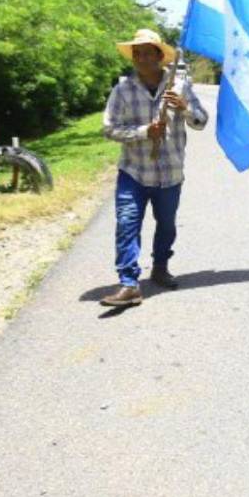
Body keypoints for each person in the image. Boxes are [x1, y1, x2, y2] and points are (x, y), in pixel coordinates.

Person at [100, 28, 208, 307]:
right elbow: (109, 129)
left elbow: (200, 121)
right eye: (138, 53)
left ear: (161, 56)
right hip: (134, 172)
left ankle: (160, 267)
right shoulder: (123, 90)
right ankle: (129, 283)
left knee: (167, 226)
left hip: (170, 173)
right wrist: (144, 132)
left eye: (149, 53)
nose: (143, 58)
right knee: (127, 224)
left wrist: (184, 107)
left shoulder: (179, 87)